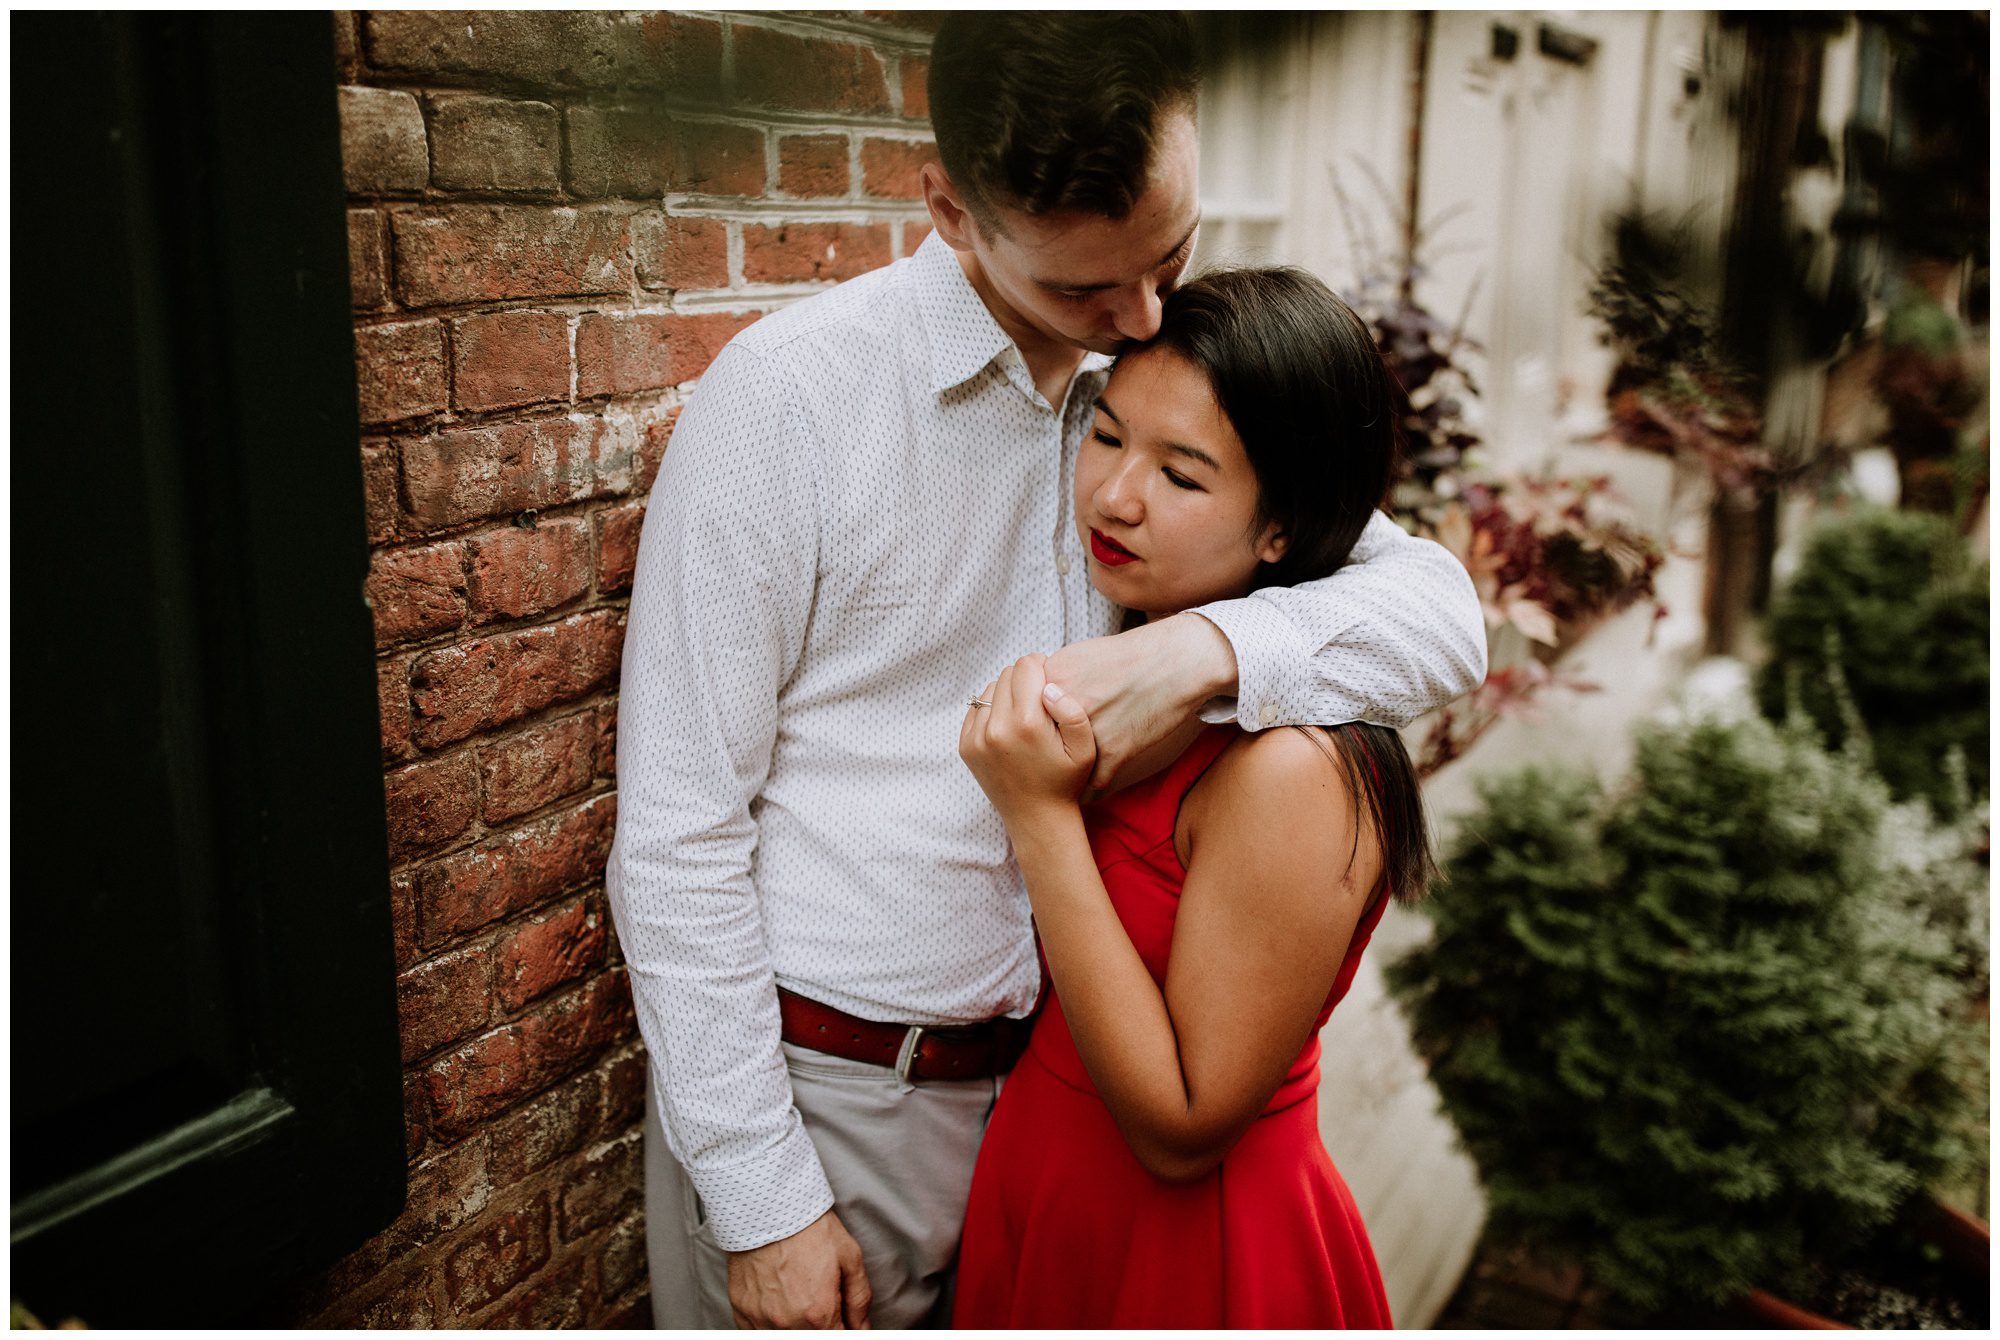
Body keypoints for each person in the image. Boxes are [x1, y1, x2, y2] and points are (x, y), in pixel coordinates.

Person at [605, 13, 1485, 1330]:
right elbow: (675, 837)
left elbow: (1437, 614)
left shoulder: (1156, 379)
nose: (1140, 313)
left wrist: (1209, 648)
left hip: (1051, 1116)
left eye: (1171, 253)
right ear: (952, 209)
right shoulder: (789, 407)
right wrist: (764, 1197)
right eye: (1087, 290)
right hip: (842, 1111)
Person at [954, 267, 1429, 1328]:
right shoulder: (1134, 635)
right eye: (1109, 435)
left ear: (1281, 527)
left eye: (1181, 473)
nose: (1115, 495)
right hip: (1046, 1179)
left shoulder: (1292, 765)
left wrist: (1037, 816)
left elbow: (1181, 1124)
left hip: (1183, 1248)